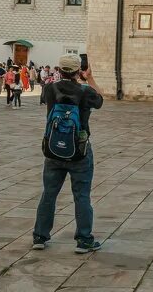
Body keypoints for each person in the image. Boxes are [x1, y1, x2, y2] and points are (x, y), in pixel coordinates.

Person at [32, 53, 104, 253]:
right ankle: (84, 239)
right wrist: (88, 78)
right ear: (77, 70)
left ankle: (40, 236)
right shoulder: (85, 91)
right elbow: (100, 100)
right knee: (82, 196)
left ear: (59, 69)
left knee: (49, 194)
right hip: (79, 150)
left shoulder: (49, 89)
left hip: (53, 150)